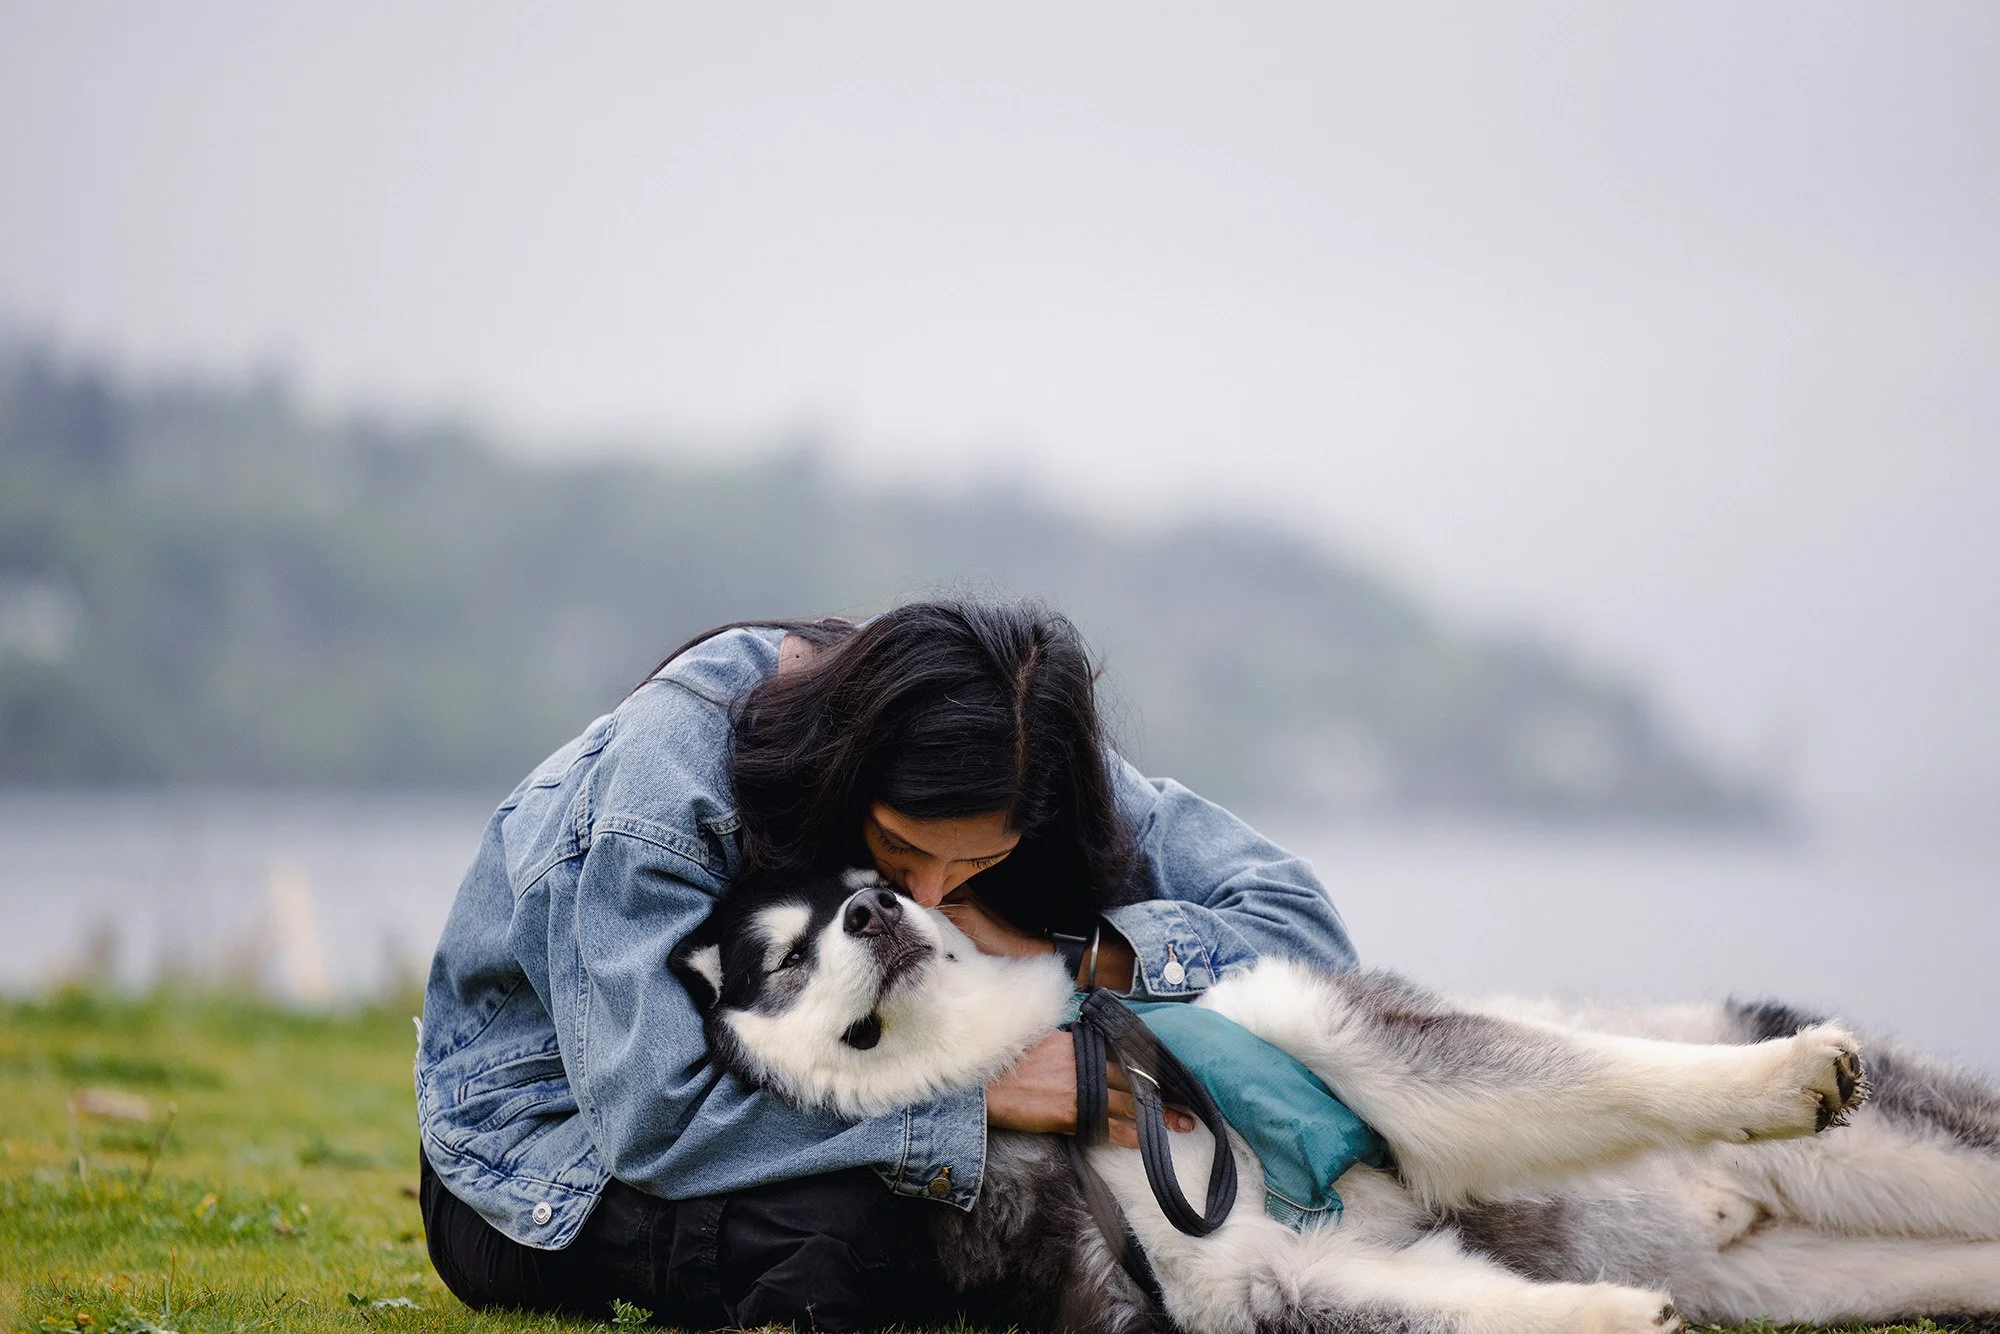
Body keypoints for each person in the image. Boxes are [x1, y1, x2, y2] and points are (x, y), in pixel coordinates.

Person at [416, 600, 1357, 1328]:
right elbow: (656, 1117)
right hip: (551, 1156)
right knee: (845, 1242)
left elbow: (1302, 929)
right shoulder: (666, 782)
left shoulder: (1010, 743)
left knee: (974, 1222)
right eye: (902, 849)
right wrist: (975, 1099)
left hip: (823, 1101)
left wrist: (1062, 955)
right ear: (849, 762)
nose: (936, 898)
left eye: (979, 862)